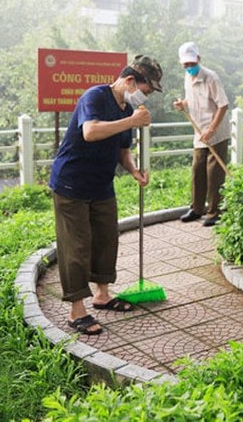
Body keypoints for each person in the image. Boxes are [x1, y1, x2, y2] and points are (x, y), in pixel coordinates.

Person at [49, 55, 163, 335]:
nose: (143, 98)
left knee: (105, 239)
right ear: (129, 81)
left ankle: (102, 295)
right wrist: (132, 121)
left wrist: (134, 170)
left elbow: (123, 150)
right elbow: (90, 131)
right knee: (76, 247)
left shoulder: (127, 109)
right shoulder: (95, 96)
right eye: (144, 91)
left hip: (101, 185)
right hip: (71, 184)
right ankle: (76, 311)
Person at [173, 41, 230, 227]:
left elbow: (223, 104)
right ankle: (197, 209)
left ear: (198, 58)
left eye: (191, 63)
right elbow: (190, 99)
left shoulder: (211, 78)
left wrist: (211, 129)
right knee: (198, 170)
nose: (189, 67)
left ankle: (214, 212)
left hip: (216, 132)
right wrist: (183, 104)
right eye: (185, 65)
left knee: (214, 173)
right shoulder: (187, 78)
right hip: (199, 132)